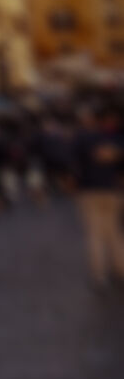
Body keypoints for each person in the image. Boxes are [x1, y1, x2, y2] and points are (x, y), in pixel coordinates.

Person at [73, 109, 124, 289]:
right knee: (114, 231)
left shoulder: (83, 138)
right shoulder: (118, 139)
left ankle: (99, 274)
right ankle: (120, 269)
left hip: (90, 190)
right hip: (113, 191)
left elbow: (72, 162)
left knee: (95, 234)